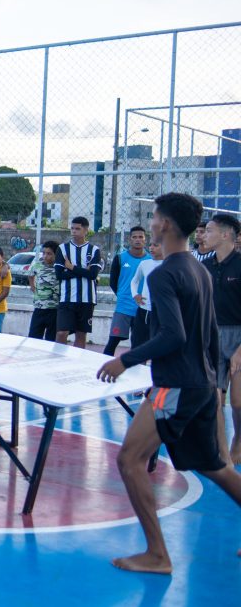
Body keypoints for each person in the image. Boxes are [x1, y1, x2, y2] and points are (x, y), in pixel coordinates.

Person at [97, 192, 241, 575]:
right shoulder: (198, 269)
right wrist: (212, 383)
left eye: (156, 217)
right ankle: (156, 553)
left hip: (177, 385)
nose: (153, 222)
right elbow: (208, 334)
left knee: (130, 460)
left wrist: (124, 360)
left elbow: (173, 335)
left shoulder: (164, 274)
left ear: (164, 225)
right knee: (213, 466)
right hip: (199, 384)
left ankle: (158, 555)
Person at [202, 213, 241, 464]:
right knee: (215, 398)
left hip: (239, 336)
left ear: (226, 234)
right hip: (212, 335)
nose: (203, 234)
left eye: (209, 230)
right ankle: (219, 448)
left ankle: (238, 441)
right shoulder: (205, 266)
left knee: (238, 401)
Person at [55, 216, 104, 349]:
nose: (74, 231)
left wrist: (71, 268)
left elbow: (93, 275)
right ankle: (56, 361)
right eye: (72, 228)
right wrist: (82, 271)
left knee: (81, 335)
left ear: (86, 230)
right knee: (61, 333)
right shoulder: (62, 249)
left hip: (87, 300)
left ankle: (77, 364)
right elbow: (59, 275)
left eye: (77, 228)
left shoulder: (94, 250)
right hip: (67, 298)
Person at [104, 226, 151, 356]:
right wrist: (123, 296)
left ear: (145, 240)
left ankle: (137, 373)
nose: (137, 240)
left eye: (140, 237)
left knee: (140, 345)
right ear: (129, 240)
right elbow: (113, 282)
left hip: (142, 309)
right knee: (113, 341)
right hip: (123, 308)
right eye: (134, 237)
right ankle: (101, 368)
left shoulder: (151, 260)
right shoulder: (120, 258)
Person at [130, 241, 163, 348]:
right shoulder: (144, 264)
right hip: (143, 311)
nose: (152, 248)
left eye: (156, 245)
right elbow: (134, 281)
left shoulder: (170, 264)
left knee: (158, 349)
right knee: (138, 347)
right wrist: (135, 294)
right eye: (150, 245)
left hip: (160, 313)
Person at [28, 241, 61, 341]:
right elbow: (30, 276)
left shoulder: (60, 267)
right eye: (44, 253)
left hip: (54, 309)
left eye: (49, 253)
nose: (45, 256)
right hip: (39, 307)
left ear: (56, 254)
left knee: (51, 339)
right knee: (34, 338)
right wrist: (33, 288)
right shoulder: (37, 264)